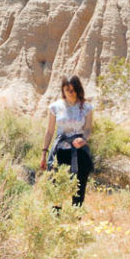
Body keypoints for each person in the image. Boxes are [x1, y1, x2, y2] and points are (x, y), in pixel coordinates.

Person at [41, 75, 94, 206]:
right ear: (63, 90)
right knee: (56, 186)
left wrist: (84, 139)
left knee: (79, 188)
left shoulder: (86, 108)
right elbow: (49, 131)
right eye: (67, 89)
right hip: (60, 151)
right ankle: (55, 219)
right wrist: (44, 153)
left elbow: (88, 129)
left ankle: (75, 220)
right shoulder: (55, 107)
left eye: (73, 89)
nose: (70, 92)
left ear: (78, 89)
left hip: (79, 151)